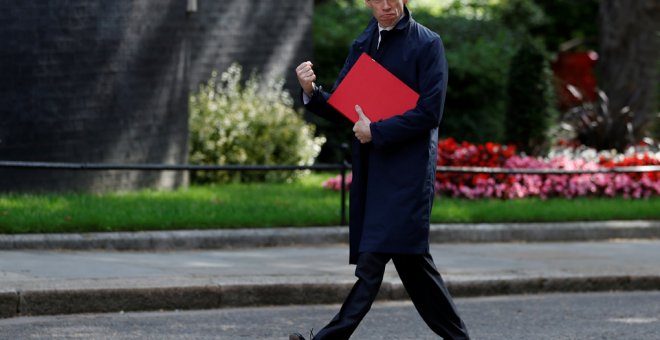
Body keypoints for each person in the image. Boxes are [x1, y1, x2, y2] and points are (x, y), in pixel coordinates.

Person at [291, 0, 470, 339]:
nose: (386, 5)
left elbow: (431, 113)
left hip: (409, 176)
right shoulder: (364, 42)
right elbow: (344, 106)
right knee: (415, 269)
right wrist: (311, 92)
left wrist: (377, 131)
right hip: (374, 173)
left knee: (371, 267)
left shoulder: (427, 43)